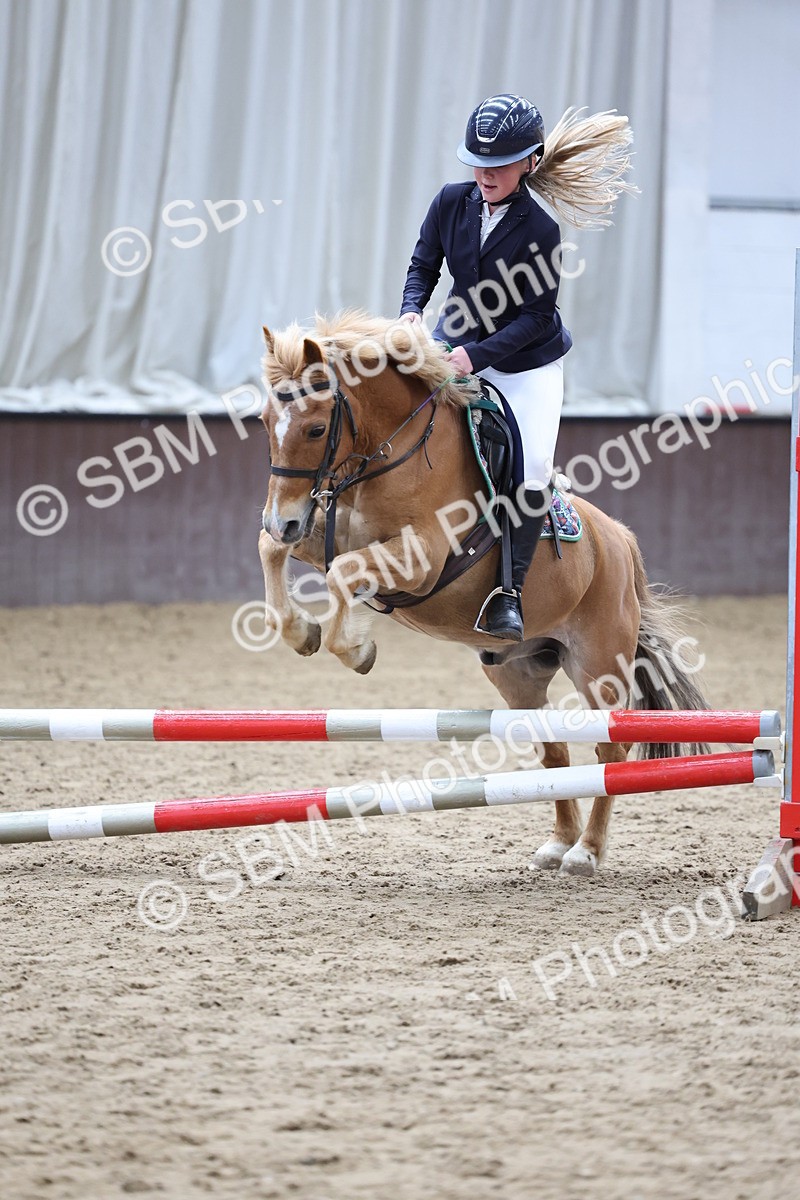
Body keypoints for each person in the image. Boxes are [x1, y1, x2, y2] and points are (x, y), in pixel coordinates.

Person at [400, 93, 635, 640]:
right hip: (457, 338)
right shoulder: (449, 202)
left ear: (529, 162)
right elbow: (422, 265)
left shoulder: (540, 230)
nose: (485, 173)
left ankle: (508, 592)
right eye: (478, 162)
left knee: (528, 470)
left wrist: (474, 357)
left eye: (500, 163)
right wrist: (412, 312)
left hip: (527, 364)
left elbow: (534, 319)